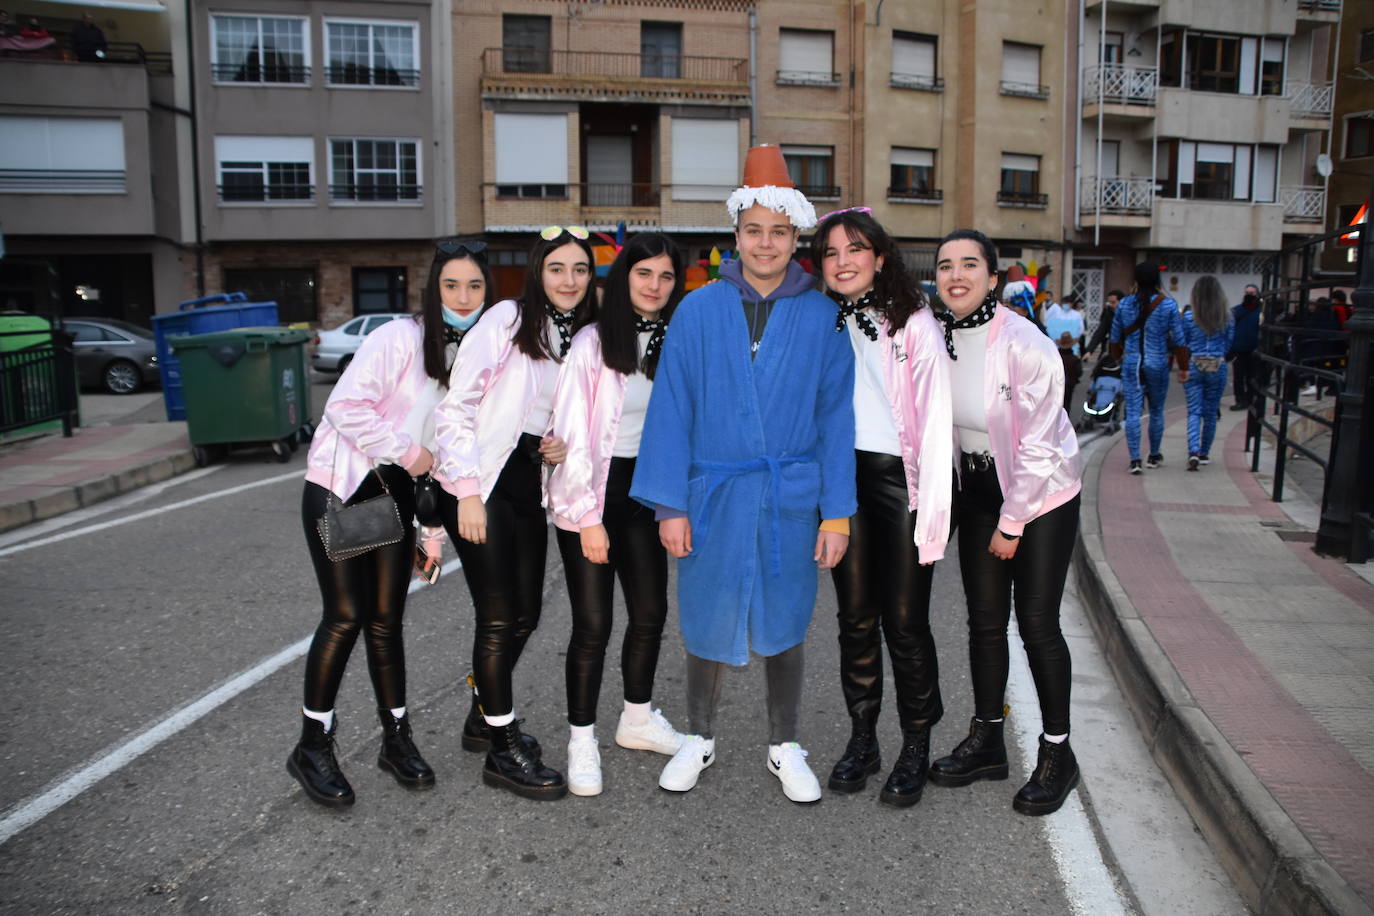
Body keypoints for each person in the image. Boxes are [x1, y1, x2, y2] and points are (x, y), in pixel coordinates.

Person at [631, 144, 857, 804]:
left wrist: (836, 512)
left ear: (796, 239)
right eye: (753, 231)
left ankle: (784, 744)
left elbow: (835, 419)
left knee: (786, 618)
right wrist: (669, 505)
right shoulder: (698, 310)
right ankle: (699, 737)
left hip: (790, 493)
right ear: (736, 237)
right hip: (714, 493)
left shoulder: (822, 318)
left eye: (779, 232)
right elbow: (672, 411)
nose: (765, 243)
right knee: (705, 616)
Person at [288, 240, 489, 807]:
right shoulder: (398, 336)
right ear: (433, 288)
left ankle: (395, 737)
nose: (464, 297)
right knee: (346, 615)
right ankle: (312, 745)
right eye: (452, 285)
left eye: (475, 286)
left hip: (397, 493)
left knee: (387, 618)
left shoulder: (474, 353)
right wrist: (410, 452)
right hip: (344, 486)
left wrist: (431, 529)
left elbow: (451, 443)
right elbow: (344, 409)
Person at [925, 228, 1085, 817]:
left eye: (971, 265)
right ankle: (988, 740)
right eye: (945, 266)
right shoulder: (933, 335)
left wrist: (1013, 523)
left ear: (994, 278)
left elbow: (1042, 448)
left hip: (1041, 495)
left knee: (1037, 623)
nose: (956, 275)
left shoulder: (1026, 344)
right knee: (984, 622)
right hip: (977, 490)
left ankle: (1057, 753)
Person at [433, 227, 595, 801]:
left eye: (579, 269)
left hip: (528, 481)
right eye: (557, 269)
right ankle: (502, 751)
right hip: (484, 483)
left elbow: (544, 411)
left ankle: (484, 716)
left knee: (526, 613)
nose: (568, 280)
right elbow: (455, 410)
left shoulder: (576, 333)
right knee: (500, 618)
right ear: (537, 272)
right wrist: (469, 494)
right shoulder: (505, 320)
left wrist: (553, 443)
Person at [811, 207, 953, 806]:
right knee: (853, 617)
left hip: (902, 484)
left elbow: (938, 426)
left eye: (855, 250)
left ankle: (915, 742)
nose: (843, 262)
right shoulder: (820, 320)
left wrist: (931, 513)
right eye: (832, 253)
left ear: (880, 257)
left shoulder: (915, 324)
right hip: (845, 481)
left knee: (905, 621)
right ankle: (863, 736)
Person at [547, 233, 688, 797]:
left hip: (644, 490)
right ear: (623, 277)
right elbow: (573, 434)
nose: (655, 286)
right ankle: (581, 738)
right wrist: (587, 517)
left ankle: (636, 719)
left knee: (651, 612)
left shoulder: (676, 339)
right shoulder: (592, 343)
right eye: (643, 274)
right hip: (590, 491)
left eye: (666, 277)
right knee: (593, 624)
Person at [1110, 262, 1188, 474]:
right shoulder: (1169, 305)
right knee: (1156, 411)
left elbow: (1115, 337)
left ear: (1135, 280)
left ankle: (1135, 459)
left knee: (1133, 412)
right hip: (1157, 361)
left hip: (1132, 362)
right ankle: (1154, 454)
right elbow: (1179, 339)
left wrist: (1118, 358)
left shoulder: (1125, 305)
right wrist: (1183, 366)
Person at [1181, 277, 1235, 471]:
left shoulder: (1189, 317)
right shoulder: (1227, 317)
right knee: (1211, 412)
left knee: (1194, 411)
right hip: (1217, 365)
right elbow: (1229, 342)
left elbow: (1183, 342)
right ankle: (1204, 452)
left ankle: (1193, 450)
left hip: (1195, 364)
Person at [1228, 284, 1261, 411]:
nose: (1249, 295)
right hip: (1239, 349)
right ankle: (1240, 400)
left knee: (1252, 377)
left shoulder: (1261, 311)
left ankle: (1250, 399)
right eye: (1247, 292)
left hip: (1254, 349)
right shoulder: (1237, 310)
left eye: (1252, 293)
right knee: (1238, 377)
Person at [1085, 289, 1122, 361]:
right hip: (1114, 349)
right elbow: (1100, 332)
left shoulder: (1128, 314)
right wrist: (1089, 350)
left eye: (1113, 302)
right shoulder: (1109, 313)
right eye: (1109, 302)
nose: (1111, 305)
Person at [1057, 332, 1082, 414]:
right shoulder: (1074, 359)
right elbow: (1079, 372)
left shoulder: (1055, 357)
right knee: (1067, 404)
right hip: (1070, 384)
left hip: (1056, 384)